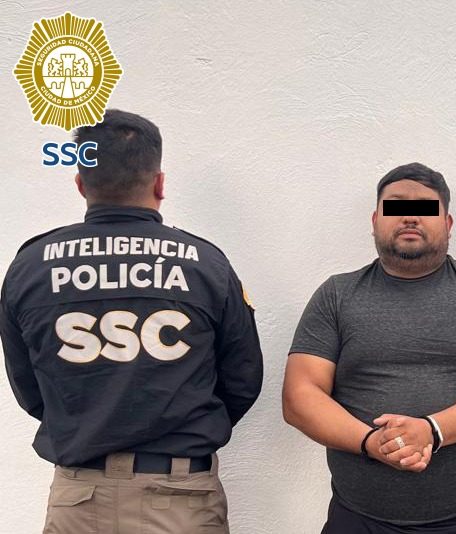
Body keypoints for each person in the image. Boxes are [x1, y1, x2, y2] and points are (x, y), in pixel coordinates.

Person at [1, 109, 264, 533]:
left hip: (78, 500)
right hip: (182, 500)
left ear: (80, 184)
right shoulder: (204, 263)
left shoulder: (31, 266)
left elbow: (29, 388)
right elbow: (243, 379)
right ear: (159, 183)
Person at [282, 162, 456, 534]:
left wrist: (432, 430)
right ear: (375, 221)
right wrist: (371, 443)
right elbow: (299, 396)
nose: (411, 217)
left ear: (448, 223)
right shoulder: (336, 295)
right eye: (396, 206)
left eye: (426, 208)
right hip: (358, 518)